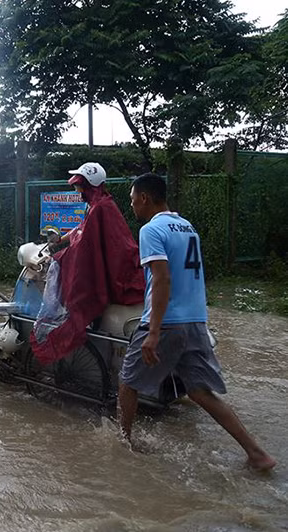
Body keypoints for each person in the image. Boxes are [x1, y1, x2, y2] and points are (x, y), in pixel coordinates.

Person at [118, 173, 275, 471]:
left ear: (144, 198)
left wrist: (152, 331)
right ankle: (257, 454)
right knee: (200, 392)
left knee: (127, 383)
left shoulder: (151, 230)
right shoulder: (187, 227)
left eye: (132, 199)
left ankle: (123, 445)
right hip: (195, 320)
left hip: (166, 321)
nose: (133, 206)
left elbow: (162, 279)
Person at [30, 162, 145, 365]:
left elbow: (85, 250)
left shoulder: (100, 208)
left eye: (79, 186)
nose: (77, 191)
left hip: (117, 271)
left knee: (58, 269)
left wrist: (60, 257)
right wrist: (60, 240)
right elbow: (81, 231)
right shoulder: (100, 204)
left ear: (88, 186)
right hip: (122, 266)